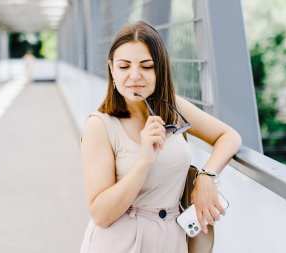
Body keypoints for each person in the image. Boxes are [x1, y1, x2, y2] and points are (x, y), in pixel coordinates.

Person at [79, 21, 242, 253]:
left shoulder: (172, 108)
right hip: (120, 242)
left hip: (171, 239)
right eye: (124, 66)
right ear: (111, 69)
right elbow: (101, 215)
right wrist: (144, 160)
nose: (135, 76)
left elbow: (229, 136)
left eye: (146, 66)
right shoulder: (100, 125)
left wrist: (207, 176)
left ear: (160, 70)